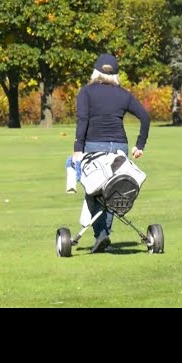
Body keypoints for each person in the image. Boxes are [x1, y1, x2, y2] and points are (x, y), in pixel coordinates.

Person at [72, 53, 151, 253]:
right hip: (119, 148)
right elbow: (145, 117)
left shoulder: (86, 92)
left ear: (96, 71)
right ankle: (103, 233)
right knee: (113, 190)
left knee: (94, 189)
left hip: (93, 146)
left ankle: (101, 235)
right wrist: (139, 145)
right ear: (116, 74)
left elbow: (83, 121)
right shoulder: (123, 94)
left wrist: (77, 149)